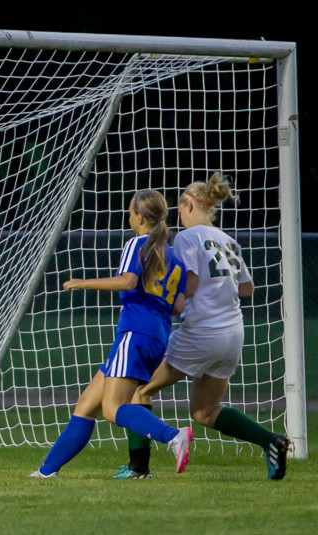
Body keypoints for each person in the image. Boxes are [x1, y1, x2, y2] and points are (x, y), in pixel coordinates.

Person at [114, 173, 291, 481]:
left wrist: (163, 302)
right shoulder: (228, 241)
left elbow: (191, 283)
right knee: (204, 411)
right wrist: (218, 289)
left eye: (180, 209)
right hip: (233, 335)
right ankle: (272, 441)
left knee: (136, 390)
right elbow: (247, 288)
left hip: (201, 334)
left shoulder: (187, 238)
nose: (178, 216)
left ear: (190, 206)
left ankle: (138, 468)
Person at [29, 189, 190, 478]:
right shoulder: (174, 257)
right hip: (157, 336)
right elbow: (178, 305)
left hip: (135, 332)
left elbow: (128, 281)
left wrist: (84, 283)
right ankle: (46, 471)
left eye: (130, 213)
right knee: (86, 405)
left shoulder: (139, 243)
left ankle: (173, 436)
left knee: (112, 408)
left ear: (139, 217)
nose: (129, 217)